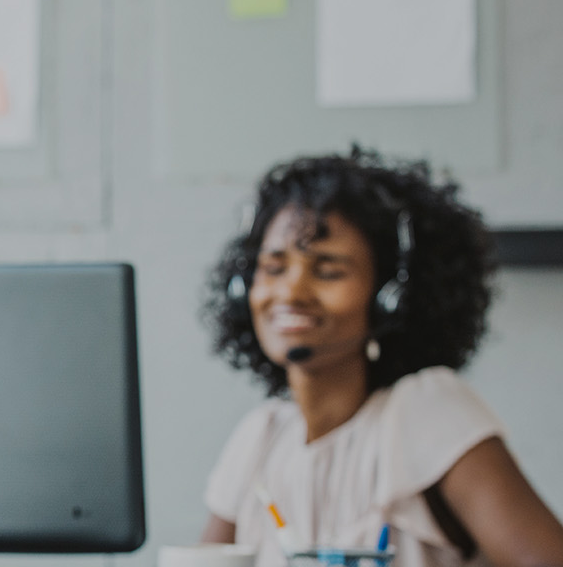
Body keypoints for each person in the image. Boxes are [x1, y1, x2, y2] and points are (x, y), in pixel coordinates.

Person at [198, 148, 563, 567]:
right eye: (274, 268)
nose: (291, 293)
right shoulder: (260, 437)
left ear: (391, 298)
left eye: (328, 271)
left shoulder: (427, 411)